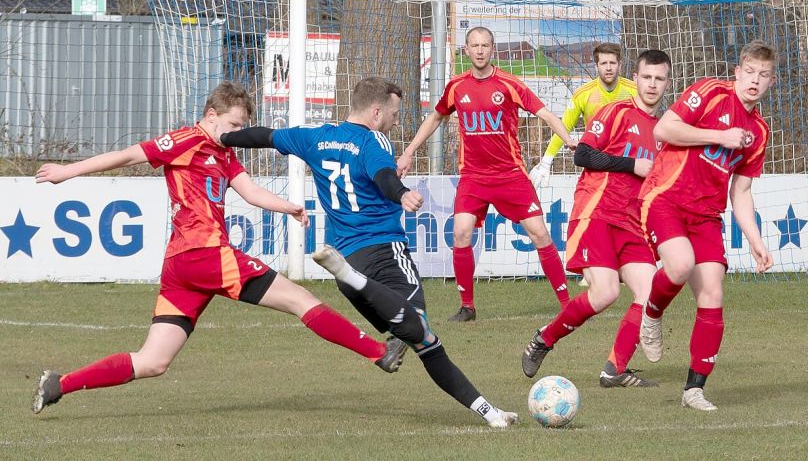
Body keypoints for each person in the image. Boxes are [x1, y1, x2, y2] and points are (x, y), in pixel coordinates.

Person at [31, 82, 405, 415]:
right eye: (234, 125)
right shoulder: (184, 140)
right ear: (211, 116)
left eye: (243, 127)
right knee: (299, 299)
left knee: (153, 361)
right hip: (204, 252)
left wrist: (286, 205)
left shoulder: (224, 153)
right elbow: (127, 155)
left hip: (183, 266)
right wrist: (68, 171)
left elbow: (250, 191)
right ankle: (378, 353)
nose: (238, 133)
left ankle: (58, 384)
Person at [220, 77, 519, 428]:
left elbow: (264, 136)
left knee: (418, 338)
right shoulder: (373, 139)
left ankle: (489, 412)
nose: (395, 121)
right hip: (384, 252)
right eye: (393, 114)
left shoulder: (314, 136)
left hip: (349, 260)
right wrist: (402, 193)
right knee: (421, 329)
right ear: (376, 112)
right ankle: (389, 322)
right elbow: (382, 176)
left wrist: (222, 138)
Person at [396, 26, 578, 322]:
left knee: (540, 234)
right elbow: (436, 117)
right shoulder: (457, 86)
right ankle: (467, 306)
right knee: (460, 233)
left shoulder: (508, 83)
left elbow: (544, 113)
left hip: (511, 176)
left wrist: (567, 139)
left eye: (485, 45)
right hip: (473, 178)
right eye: (474, 45)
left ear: (492, 49)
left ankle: (567, 303)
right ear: (466, 50)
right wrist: (409, 151)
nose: (479, 50)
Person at [637, 40, 776, 411]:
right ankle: (651, 313)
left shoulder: (759, 132)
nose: (754, 80)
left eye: (763, 75)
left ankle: (694, 389)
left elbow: (741, 192)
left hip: (706, 215)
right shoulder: (711, 92)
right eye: (749, 72)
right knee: (679, 265)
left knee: (713, 294)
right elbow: (664, 130)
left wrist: (755, 240)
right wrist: (719, 136)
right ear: (737, 72)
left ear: (770, 82)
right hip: (665, 196)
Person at [521, 50, 670, 388]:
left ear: (666, 83)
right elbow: (583, 154)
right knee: (603, 294)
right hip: (598, 212)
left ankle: (614, 370)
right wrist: (633, 164)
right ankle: (544, 339)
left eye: (659, 79)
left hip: (633, 224)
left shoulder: (665, 130)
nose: (652, 85)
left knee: (650, 293)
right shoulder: (616, 112)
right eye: (647, 77)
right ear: (637, 77)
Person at [528, 42, 638, 188]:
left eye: (613, 63)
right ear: (596, 67)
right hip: (597, 162)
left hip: (628, 162)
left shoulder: (634, 91)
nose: (609, 68)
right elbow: (565, 126)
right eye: (604, 63)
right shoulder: (583, 94)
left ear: (620, 65)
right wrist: (547, 160)